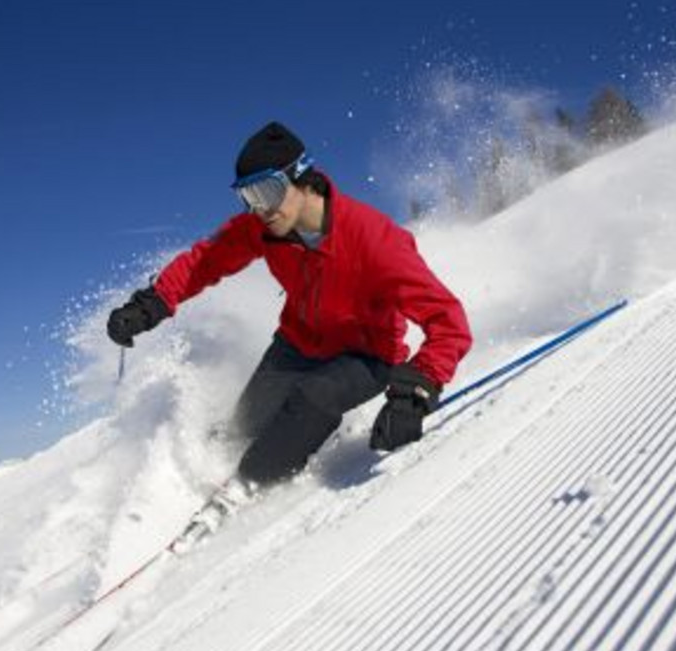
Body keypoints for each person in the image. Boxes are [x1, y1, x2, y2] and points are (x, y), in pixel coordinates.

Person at [107, 122, 472, 512]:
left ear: (303, 178)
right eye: (247, 196)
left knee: (314, 398)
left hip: (366, 355)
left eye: (266, 191)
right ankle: (215, 479)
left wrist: (415, 392)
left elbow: (448, 320)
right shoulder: (264, 229)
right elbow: (205, 261)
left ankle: (247, 488)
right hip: (296, 346)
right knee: (241, 429)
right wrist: (151, 304)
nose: (258, 208)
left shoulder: (374, 240)